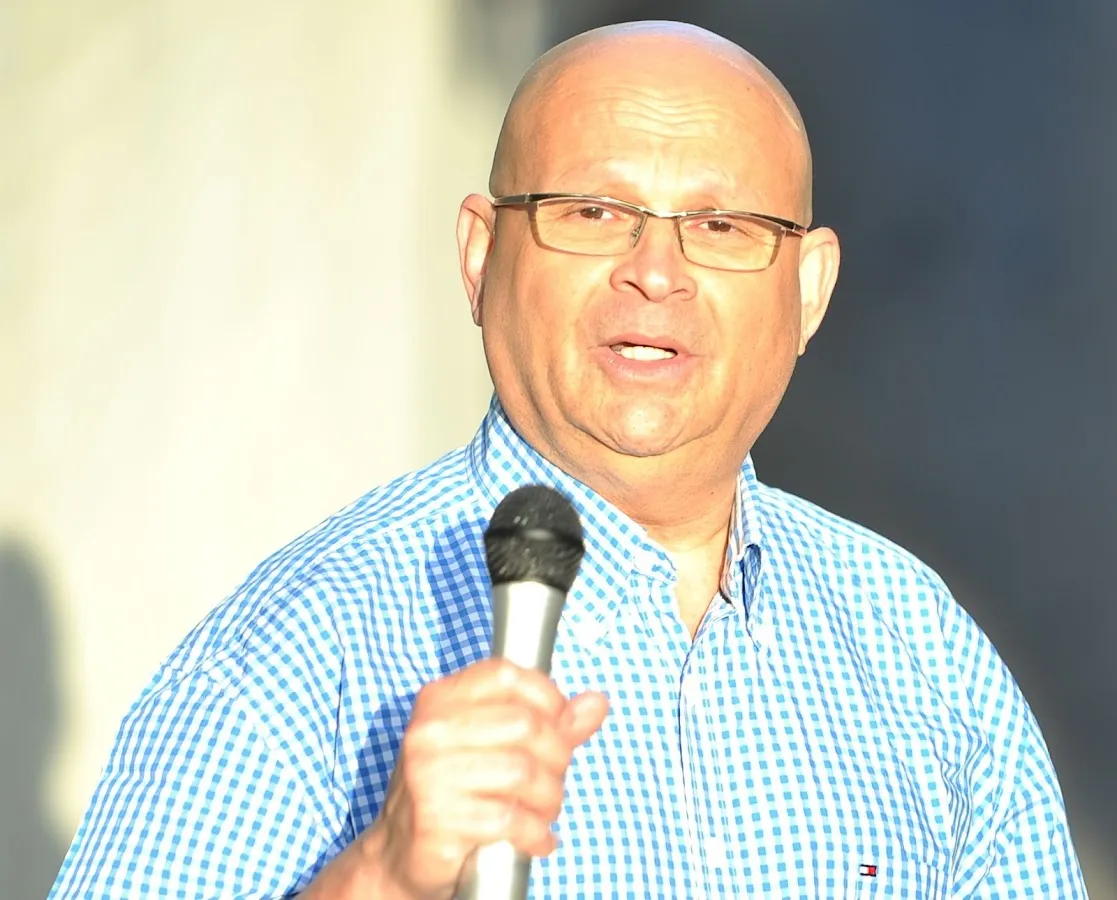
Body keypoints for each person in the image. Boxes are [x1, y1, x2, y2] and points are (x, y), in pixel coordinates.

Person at [48, 20, 1086, 900]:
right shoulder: (294, 655)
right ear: (479, 255)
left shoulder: (917, 648)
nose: (655, 272)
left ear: (807, 290)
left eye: (721, 225)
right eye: (593, 213)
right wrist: (380, 878)